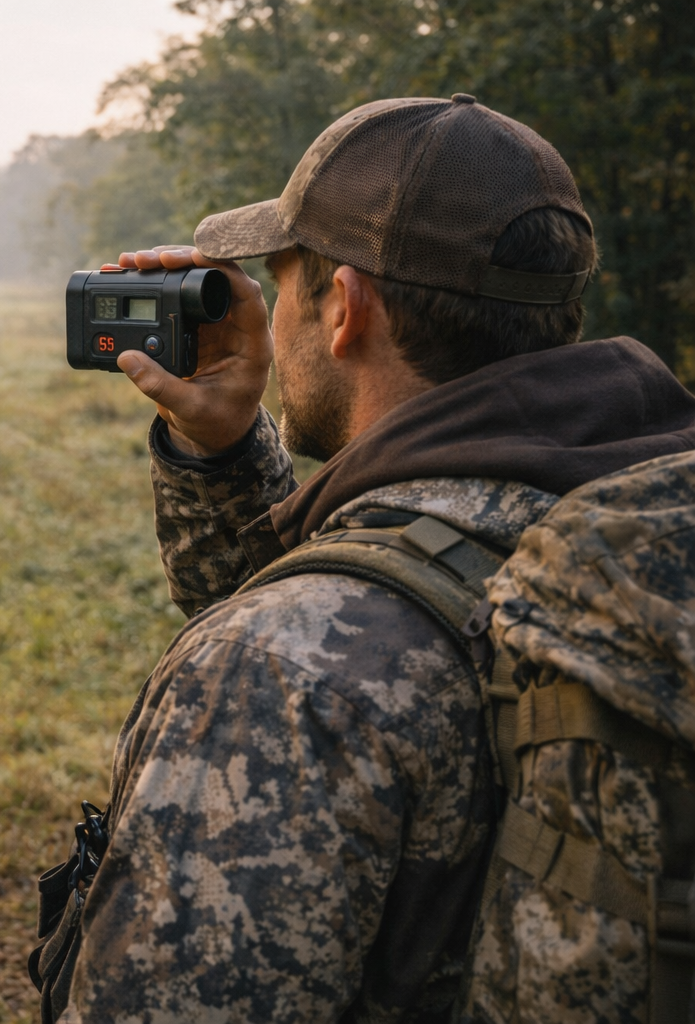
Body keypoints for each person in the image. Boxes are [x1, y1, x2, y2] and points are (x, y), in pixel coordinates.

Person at [59, 95, 695, 1022]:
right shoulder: (639, 517)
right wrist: (225, 451)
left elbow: (340, 635)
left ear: (344, 309)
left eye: (282, 285)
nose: (273, 325)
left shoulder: (277, 671)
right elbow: (390, 583)